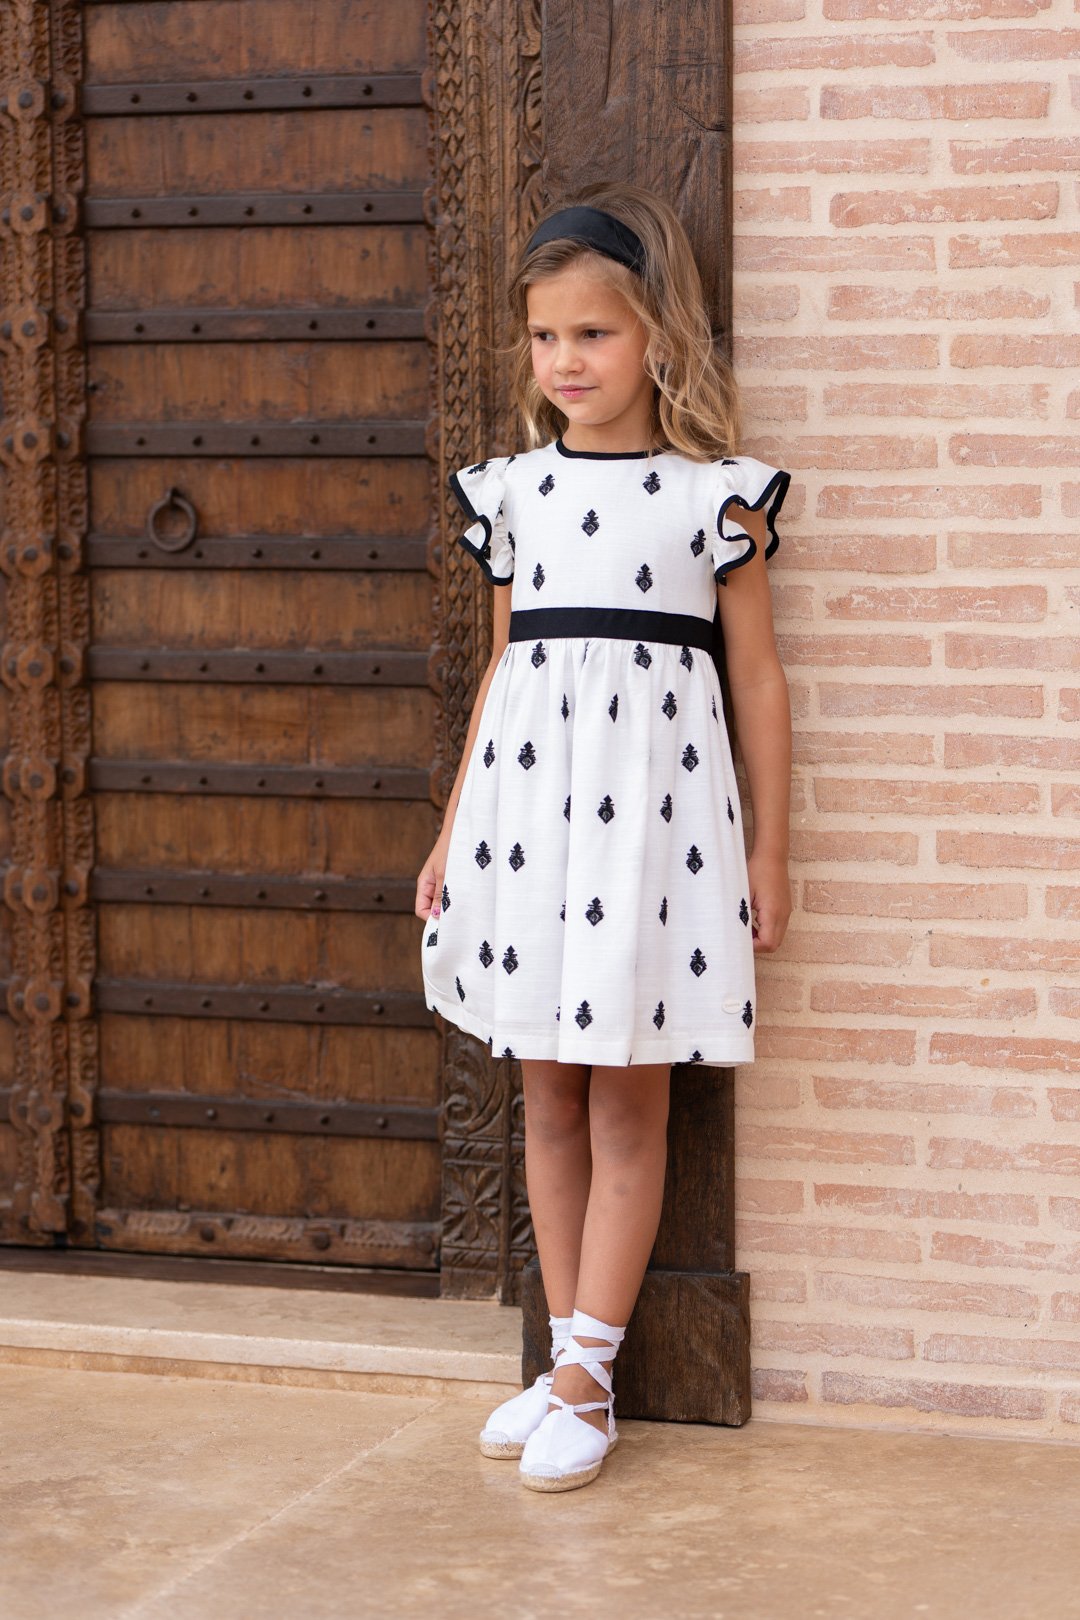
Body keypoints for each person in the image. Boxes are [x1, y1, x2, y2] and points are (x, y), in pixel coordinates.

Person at [414, 181, 793, 1492]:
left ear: (658, 339)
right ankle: (562, 1357)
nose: (566, 361)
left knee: (630, 1099)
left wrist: (771, 852)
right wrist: (454, 833)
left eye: (594, 333)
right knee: (547, 1095)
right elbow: (502, 675)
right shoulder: (513, 493)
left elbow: (757, 682)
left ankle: (590, 1377)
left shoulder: (715, 501)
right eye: (545, 337)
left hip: (653, 839)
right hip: (531, 829)